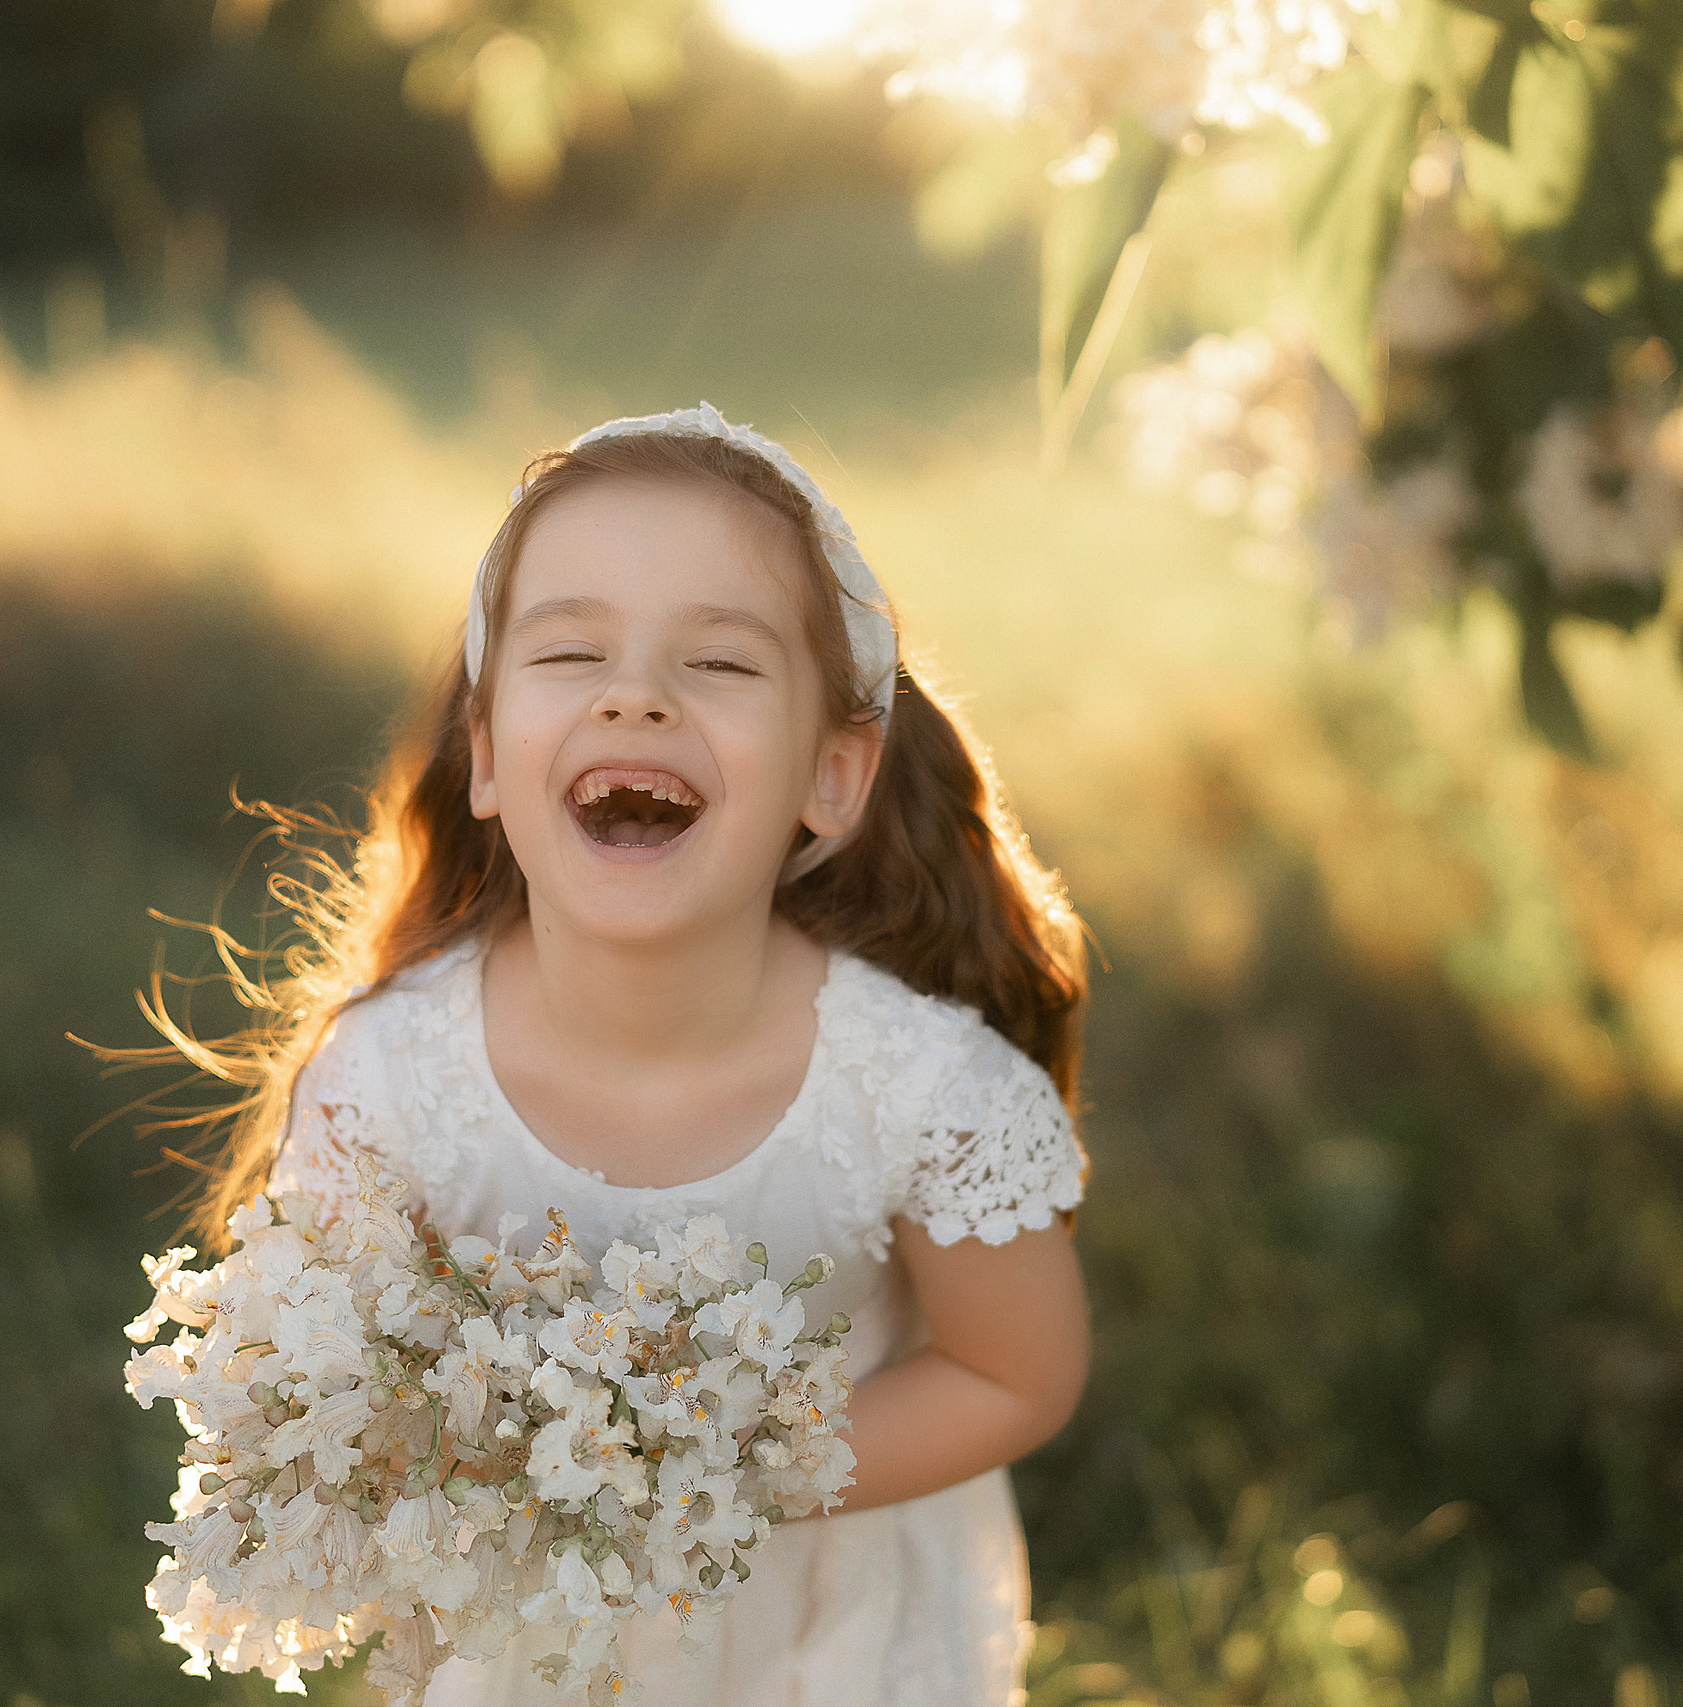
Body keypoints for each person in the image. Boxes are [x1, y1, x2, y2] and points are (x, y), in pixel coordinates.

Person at [153, 402, 1091, 1705]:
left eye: (718, 664)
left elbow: (1014, 1372)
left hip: (832, 1649)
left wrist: (705, 1466)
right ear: (485, 758)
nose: (634, 693)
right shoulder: (393, 1078)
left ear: (833, 774)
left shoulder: (924, 1093)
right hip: (525, 1646)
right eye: (571, 650)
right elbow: (326, 1377)